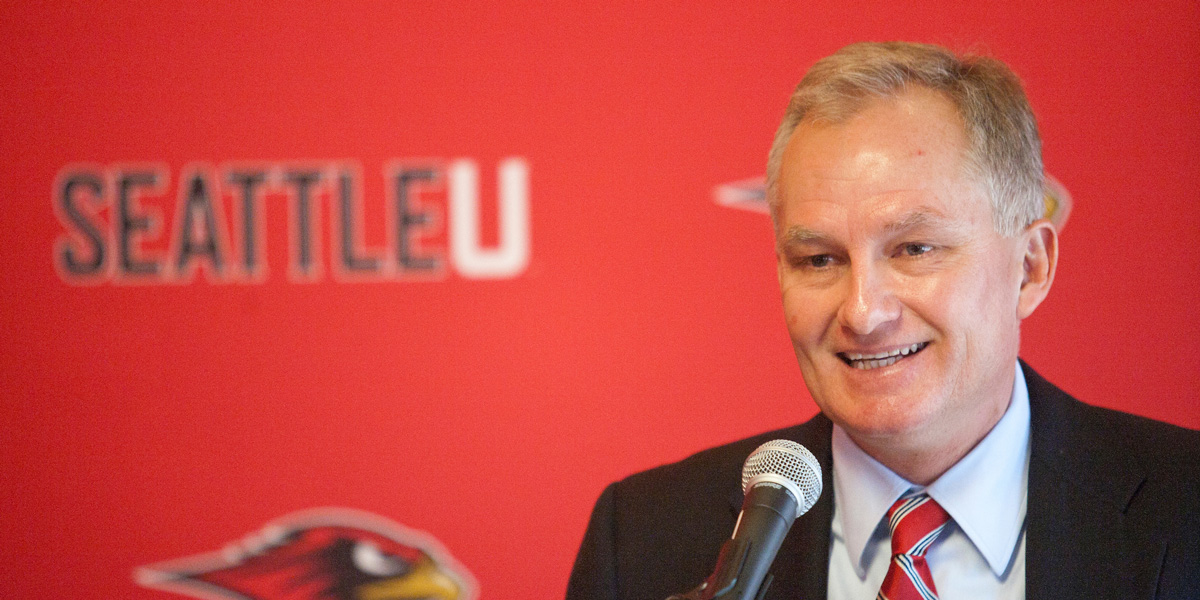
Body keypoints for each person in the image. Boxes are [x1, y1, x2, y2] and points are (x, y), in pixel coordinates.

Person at [565, 42, 1200, 600]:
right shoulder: (646, 539)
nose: (864, 312)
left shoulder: (1183, 505)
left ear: (1030, 267)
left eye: (914, 249)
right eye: (819, 259)